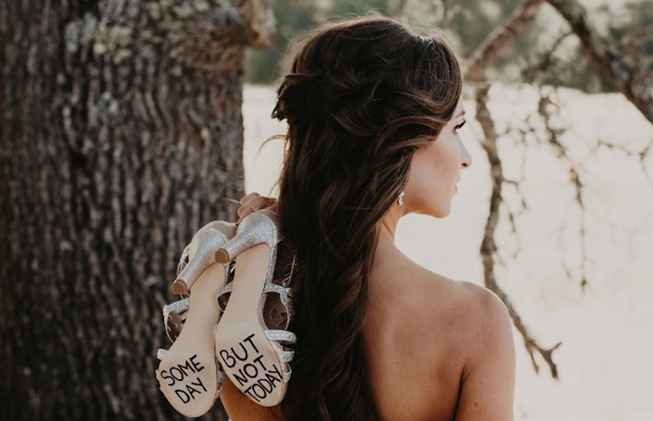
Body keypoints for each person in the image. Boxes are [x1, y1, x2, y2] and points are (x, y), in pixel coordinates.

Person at [219, 14, 515, 421]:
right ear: (399, 144)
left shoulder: (246, 302)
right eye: (456, 127)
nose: (465, 158)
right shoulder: (476, 322)